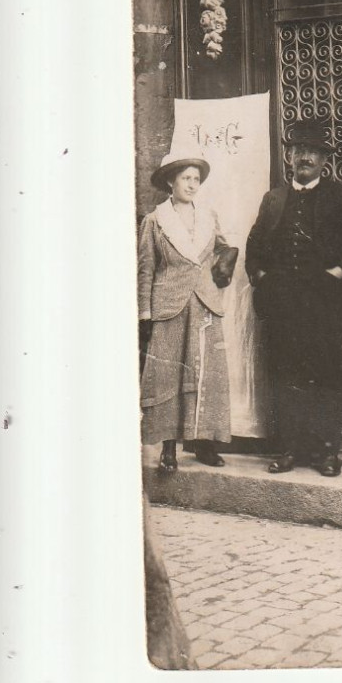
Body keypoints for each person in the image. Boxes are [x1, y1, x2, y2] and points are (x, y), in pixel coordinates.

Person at [246, 118, 342, 477]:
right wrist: (262, 277)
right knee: (285, 375)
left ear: (323, 160)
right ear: (289, 157)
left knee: (325, 375)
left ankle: (328, 452)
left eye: (312, 152)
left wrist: (338, 273)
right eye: (298, 151)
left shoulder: (341, 196)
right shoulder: (273, 199)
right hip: (283, 305)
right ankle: (288, 449)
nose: (304, 158)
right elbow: (254, 246)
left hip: (324, 304)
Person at [138, 153, 237, 473]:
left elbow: (222, 248)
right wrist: (145, 314)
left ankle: (204, 443)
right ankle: (168, 448)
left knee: (206, 373)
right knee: (169, 377)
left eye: (196, 179)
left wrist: (225, 263)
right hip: (169, 307)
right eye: (186, 179)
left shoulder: (209, 215)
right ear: (171, 181)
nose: (192, 185)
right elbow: (145, 270)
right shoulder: (155, 220)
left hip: (204, 302)